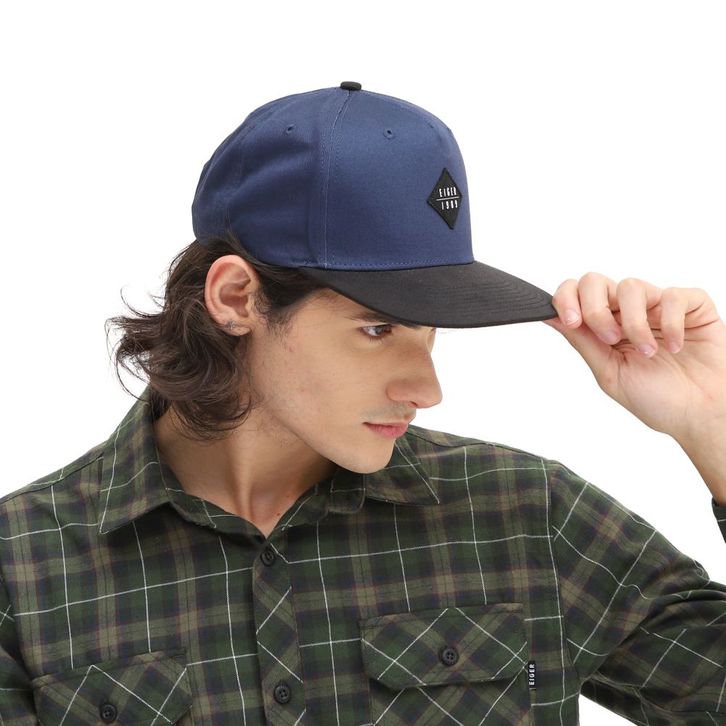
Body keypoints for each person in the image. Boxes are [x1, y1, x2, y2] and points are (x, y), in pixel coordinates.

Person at [0, 82, 724, 725]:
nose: (427, 389)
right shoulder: (23, 567)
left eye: (430, 331)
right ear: (237, 298)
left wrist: (712, 423)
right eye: (377, 330)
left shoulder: (529, 516)